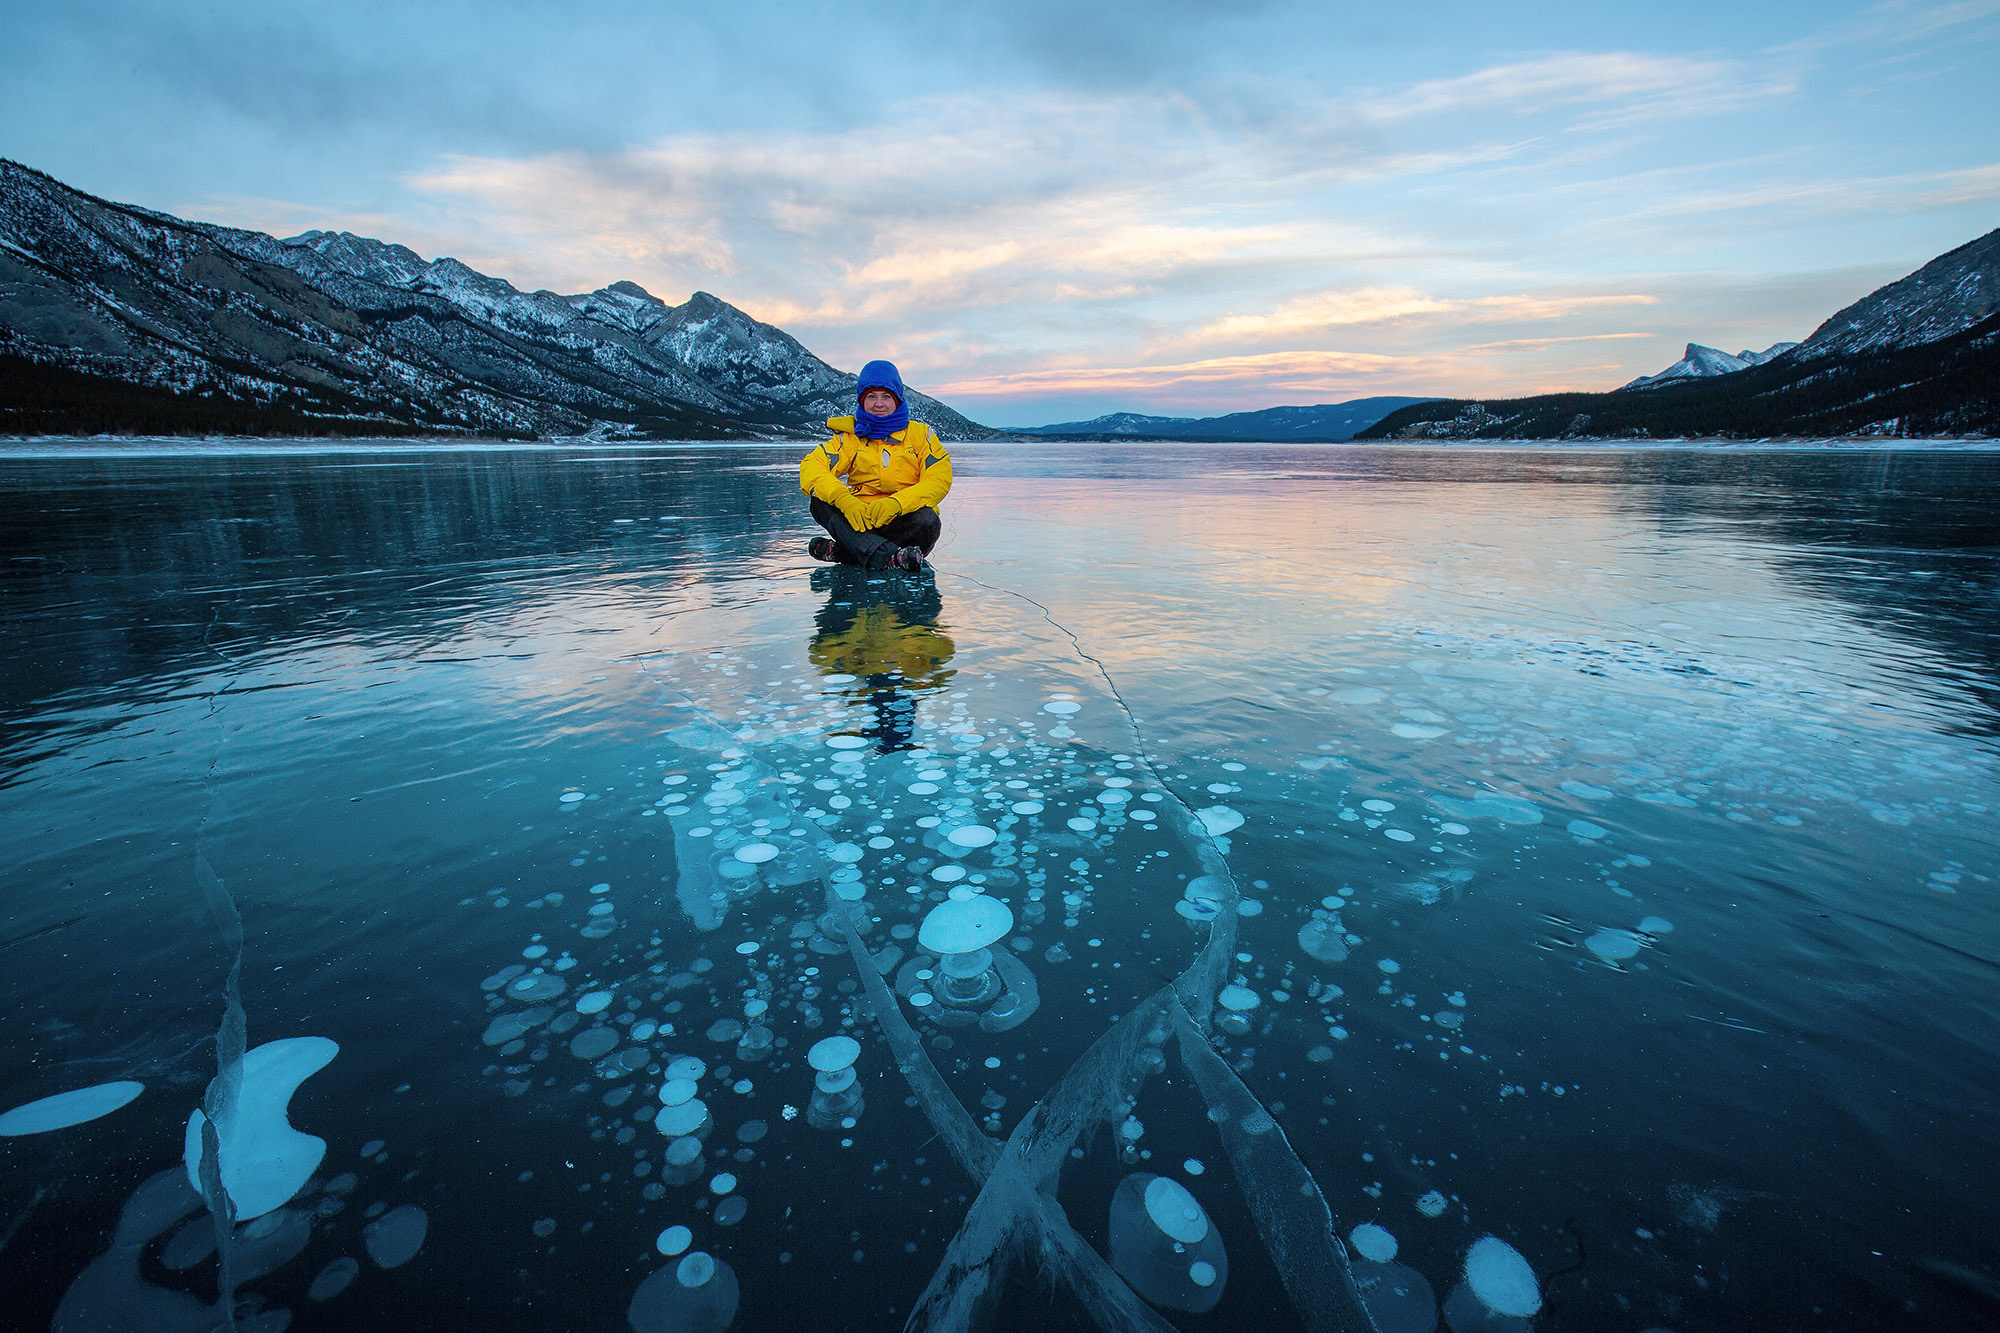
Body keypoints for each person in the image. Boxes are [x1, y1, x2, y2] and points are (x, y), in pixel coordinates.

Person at [799, 360, 951, 572]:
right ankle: (890, 557)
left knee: (928, 521)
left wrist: (897, 503)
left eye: (886, 396)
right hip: (860, 521)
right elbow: (812, 466)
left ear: (897, 399)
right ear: (862, 401)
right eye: (871, 396)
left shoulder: (921, 435)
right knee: (819, 502)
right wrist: (844, 500)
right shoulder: (850, 438)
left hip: (902, 520)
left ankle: (846, 552)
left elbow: (939, 479)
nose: (878, 403)